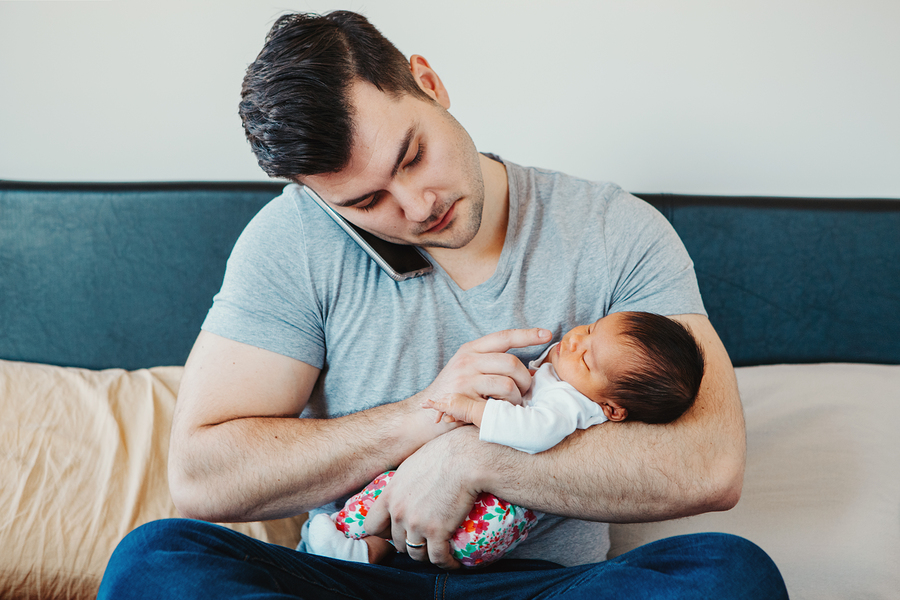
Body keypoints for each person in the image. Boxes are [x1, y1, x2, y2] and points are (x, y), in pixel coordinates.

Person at [99, 9, 788, 599]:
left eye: (413, 155)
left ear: (428, 83)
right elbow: (200, 476)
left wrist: (474, 459)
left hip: (543, 585)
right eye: (366, 202)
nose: (417, 206)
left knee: (729, 574)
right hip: (353, 578)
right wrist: (420, 417)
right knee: (155, 564)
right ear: (318, 197)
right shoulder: (291, 241)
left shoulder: (615, 230)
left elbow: (710, 462)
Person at [306, 311, 706, 568]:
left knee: (393, 489)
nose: (575, 342)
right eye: (589, 330)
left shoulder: (572, 405)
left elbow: (532, 432)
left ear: (614, 409)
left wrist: (469, 410)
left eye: (587, 358)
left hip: (489, 514)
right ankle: (367, 554)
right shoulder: (575, 384)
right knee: (403, 521)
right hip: (486, 523)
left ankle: (349, 538)